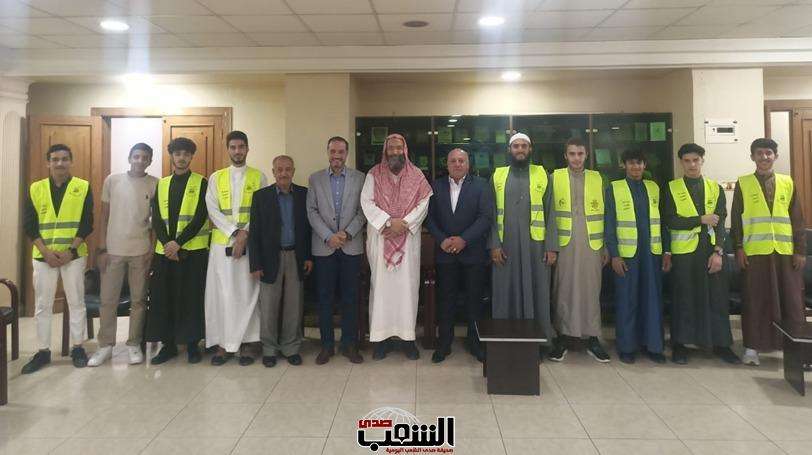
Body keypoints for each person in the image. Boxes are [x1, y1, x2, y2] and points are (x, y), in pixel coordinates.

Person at [731, 138, 806, 366]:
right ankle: (752, 348)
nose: (764, 157)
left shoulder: (787, 182)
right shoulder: (743, 183)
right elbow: (736, 220)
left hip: (785, 253)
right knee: (755, 299)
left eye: (768, 153)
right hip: (755, 253)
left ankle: (796, 349)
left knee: (791, 301)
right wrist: (738, 247)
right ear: (752, 157)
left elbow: (797, 219)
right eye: (759, 153)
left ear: (775, 156)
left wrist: (800, 250)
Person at [664, 143, 739, 365]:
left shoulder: (715, 188)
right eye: (687, 161)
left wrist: (719, 252)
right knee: (684, 298)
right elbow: (670, 221)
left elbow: (721, 221)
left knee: (717, 298)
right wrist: (700, 219)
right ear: (681, 163)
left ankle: (722, 344)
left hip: (710, 251)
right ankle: (680, 344)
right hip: (684, 254)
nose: (692, 165)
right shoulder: (671, 188)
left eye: (696, 160)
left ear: (702, 161)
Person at [22, 144, 93, 374]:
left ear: (71, 161)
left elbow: (87, 223)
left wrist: (70, 251)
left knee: (76, 302)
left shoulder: (83, 187)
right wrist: (45, 252)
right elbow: (29, 225)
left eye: (64, 159)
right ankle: (43, 351)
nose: (60, 163)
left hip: (73, 256)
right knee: (43, 305)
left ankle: (78, 348)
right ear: (48, 163)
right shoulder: (36, 188)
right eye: (55, 159)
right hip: (44, 257)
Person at [360, 133, 432, 360]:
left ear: (405, 150)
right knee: (381, 289)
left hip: (408, 241)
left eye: (398, 148)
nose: (395, 152)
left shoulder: (417, 175)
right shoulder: (373, 174)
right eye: (391, 148)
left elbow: (424, 203)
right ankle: (382, 340)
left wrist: (405, 223)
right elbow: (366, 202)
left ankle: (407, 339)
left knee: (407, 289)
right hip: (381, 238)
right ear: (385, 150)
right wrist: (389, 223)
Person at [88, 143, 158, 367]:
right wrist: (101, 249)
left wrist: (151, 250)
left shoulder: (155, 184)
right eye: (136, 156)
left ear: (150, 161)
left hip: (140, 251)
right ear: (129, 158)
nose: (140, 160)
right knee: (108, 300)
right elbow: (103, 216)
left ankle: (134, 344)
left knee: (138, 300)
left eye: (145, 157)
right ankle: (105, 346)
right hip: (113, 251)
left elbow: (156, 222)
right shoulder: (113, 181)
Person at [489, 133, 558, 359]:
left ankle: (539, 344)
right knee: (504, 294)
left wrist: (551, 247)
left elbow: (551, 212)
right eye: (516, 146)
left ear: (530, 149)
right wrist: (494, 245)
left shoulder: (543, 174)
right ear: (509, 150)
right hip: (504, 247)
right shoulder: (498, 175)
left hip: (536, 247)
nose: (520, 149)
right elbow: (490, 214)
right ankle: (504, 342)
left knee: (538, 292)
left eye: (524, 146)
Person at [204, 131, 268, 366]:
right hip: (222, 245)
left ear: (248, 148)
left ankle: (249, 342)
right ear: (228, 149)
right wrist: (234, 232)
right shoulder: (216, 177)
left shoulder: (259, 177)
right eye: (233, 147)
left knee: (247, 293)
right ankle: (224, 343)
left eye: (241, 147)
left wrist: (244, 235)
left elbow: (260, 210)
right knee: (222, 294)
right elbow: (212, 209)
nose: (237, 151)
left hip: (249, 245)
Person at [145, 137, 210, 364]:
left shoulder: (201, 183)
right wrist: (167, 244)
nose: (182, 158)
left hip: (192, 252)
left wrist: (178, 242)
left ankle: (192, 344)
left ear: (192, 157)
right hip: (165, 254)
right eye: (177, 154)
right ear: (171, 156)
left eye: (186, 154)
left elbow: (200, 216)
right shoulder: (162, 184)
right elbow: (156, 218)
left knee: (191, 299)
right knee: (164, 299)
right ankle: (168, 345)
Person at [425, 148, 492, 363]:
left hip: (473, 253)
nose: (457, 164)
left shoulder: (482, 185)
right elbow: (429, 218)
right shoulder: (435, 186)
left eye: (461, 160)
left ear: (468, 164)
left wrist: (464, 240)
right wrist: (442, 239)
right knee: (446, 301)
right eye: (453, 161)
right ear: (447, 164)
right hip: (445, 253)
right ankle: (444, 344)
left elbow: (485, 217)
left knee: (474, 301)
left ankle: (475, 344)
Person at [605, 148, 670, 364]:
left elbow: (662, 222)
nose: (636, 167)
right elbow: (609, 224)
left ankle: (654, 346)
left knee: (652, 301)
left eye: (639, 163)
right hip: (627, 256)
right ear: (623, 165)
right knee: (627, 301)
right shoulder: (614, 188)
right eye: (631, 163)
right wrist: (614, 255)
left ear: (645, 165)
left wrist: (666, 251)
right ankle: (627, 347)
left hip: (652, 255)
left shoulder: (654, 187)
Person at [549, 138, 611, 363]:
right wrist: (550, 246)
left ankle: (592, 337)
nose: (576, 158)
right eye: (572, 154)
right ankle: (563, 337)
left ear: (586, 155)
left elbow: (607, 215)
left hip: (592, 244)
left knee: (591, 289)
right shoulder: (554, 177)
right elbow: (548, 214)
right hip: (564, 243)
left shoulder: (598, 178)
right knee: (563, 289)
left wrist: (606, 246)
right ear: (565, 155)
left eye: (580, 154)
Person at [249, 155, 313, 367]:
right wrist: (255, 264)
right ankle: (269, 349)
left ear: (293, 171)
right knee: (268, 305)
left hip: (296, 255)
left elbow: (308, 229)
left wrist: (308, 256)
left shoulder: (304, 194)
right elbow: (254, 232)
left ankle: (290, 347)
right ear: (273, 172)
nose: (284, 173)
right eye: (279, 169)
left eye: (287, 169)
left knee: (294, 305)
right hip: (269, 258)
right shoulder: (261, 197)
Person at [307, 136, 366, 365]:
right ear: (328, 152)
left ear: (346, 153)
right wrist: (329, 236)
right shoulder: (315, 179)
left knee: (350, 298)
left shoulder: (360, 178)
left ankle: (349, 345)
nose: (337, 156)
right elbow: (312, 211)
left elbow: (362, 211)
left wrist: (346, 234)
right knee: (325, 299)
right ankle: (327, 346)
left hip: (351, 247)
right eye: (333, 151)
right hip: (324, 247)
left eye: (341, 152)